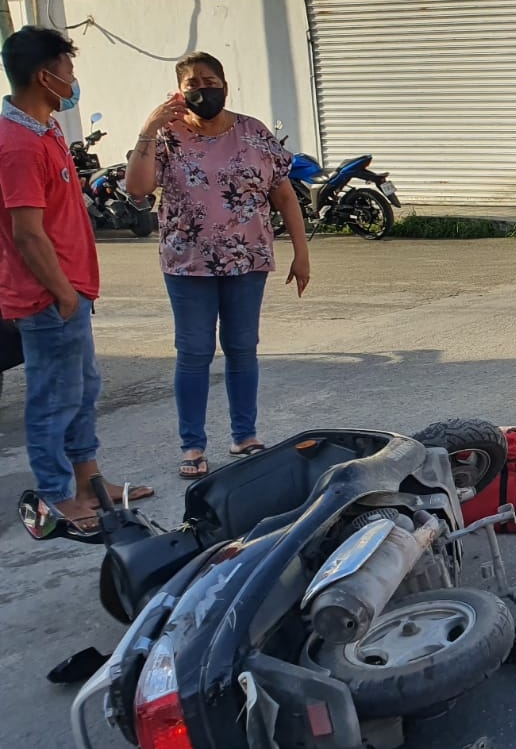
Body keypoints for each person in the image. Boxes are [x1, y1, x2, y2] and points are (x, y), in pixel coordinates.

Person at [124, 52, 312, 479]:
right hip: (187, 264)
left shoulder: (254, 132)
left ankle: (245, 436)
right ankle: (192, 445)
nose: (202, 90)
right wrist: (149, 128)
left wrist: (302, 252)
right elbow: (137, 187)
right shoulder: (166, 136)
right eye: (192, 83)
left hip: (248, 261)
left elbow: (283, 197)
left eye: (210, 81)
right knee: (193, 352)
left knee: (243, 347)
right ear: (179, 90)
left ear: (225, 85)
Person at [0, 26, 155, 528]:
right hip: (47, 296)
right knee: (52, 399)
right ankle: (54, 497)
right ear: (45, 77)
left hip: (70, 291)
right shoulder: (17, 145)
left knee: (83, 389)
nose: (74, 79)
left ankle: (91, 483)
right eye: (68, 70)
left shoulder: (46, 130)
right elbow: (27, 233)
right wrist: (63, 293)